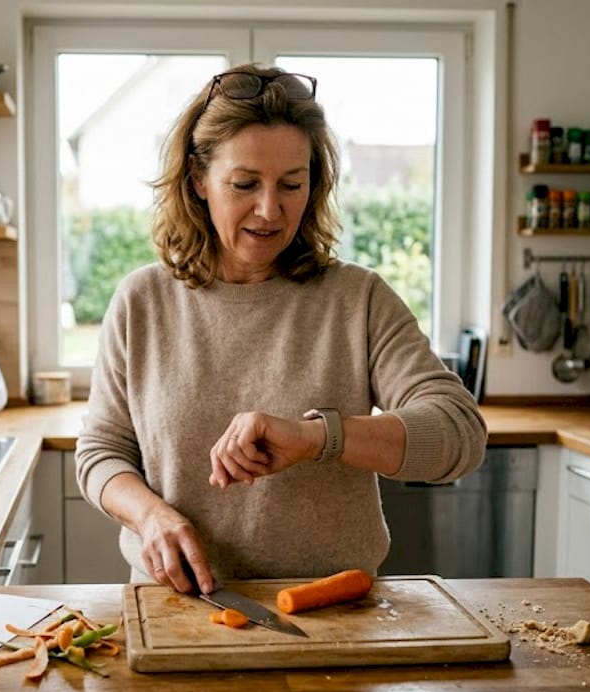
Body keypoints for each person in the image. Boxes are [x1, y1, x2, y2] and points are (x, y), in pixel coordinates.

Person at [75, 63, 487, 595]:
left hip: (331, 610)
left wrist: (320, 436)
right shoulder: (141, 302)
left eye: (292, 183)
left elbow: (460, 434)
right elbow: (100, 452)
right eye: (244, 184)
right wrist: (150, 516)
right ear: (198, 180)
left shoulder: (356, 299)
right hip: (176, 606)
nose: (270, 210)